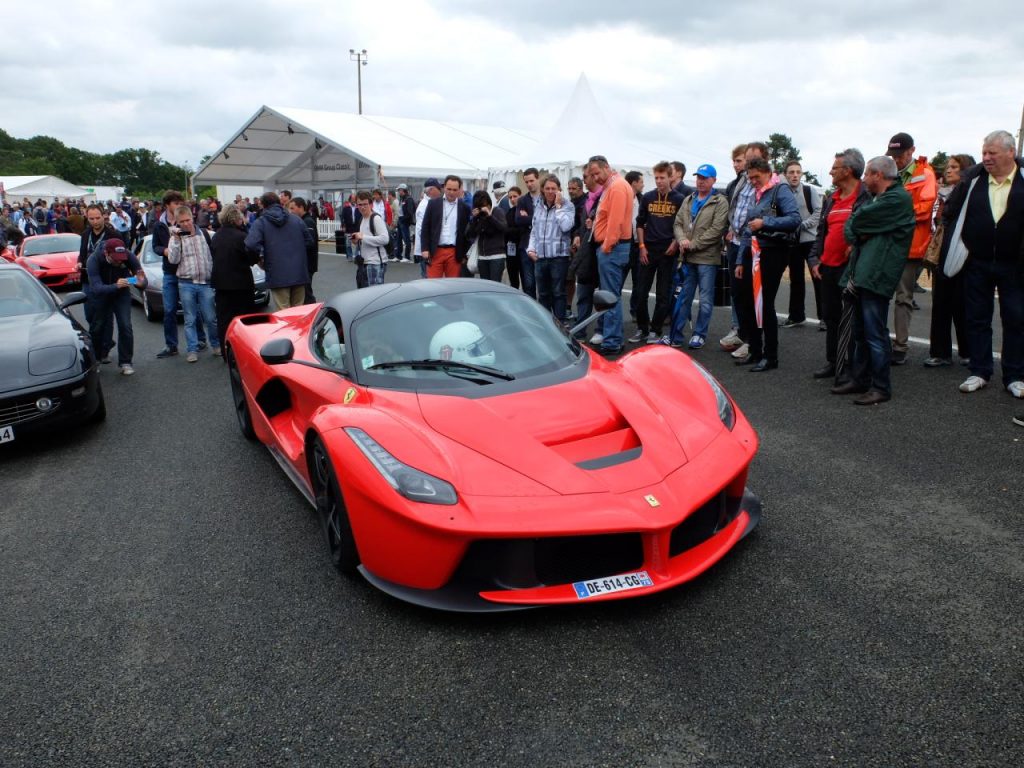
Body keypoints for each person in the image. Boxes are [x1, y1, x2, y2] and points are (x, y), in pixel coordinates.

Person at [830, 155, 915, 404]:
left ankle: (881, 387)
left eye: (867, 174)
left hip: (877, 274)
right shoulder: (880, 198)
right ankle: (860, 379)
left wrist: (858, 227)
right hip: (864, 272)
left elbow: (855, 222)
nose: (864, 179)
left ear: (878, 175)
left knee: (875, 333)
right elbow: (852, 229)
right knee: (860, 331)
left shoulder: (897, 199)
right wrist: (859, 229)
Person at [948, 130, 1024, 397]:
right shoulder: (973, 181)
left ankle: (1015, 375)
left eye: (992, 152)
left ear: (1011, 152)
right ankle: (980, 371)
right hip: (977, 261)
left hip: (1015, 264)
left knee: (1016, 318)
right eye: (984, 153)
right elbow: (951, 214)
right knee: (977, 318)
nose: (987, 158)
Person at [807, 149, 871, 381]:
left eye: (835, 168)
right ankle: (833, 361)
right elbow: (821, 233)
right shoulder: (832, 199)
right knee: (831, 316)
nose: (831, 172)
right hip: (828, 267)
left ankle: (851, 366)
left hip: (851, 268)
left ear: (848, 171)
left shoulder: (866, 197)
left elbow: (871, 229)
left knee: (851, 319)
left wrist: (857, 244)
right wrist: (815, 259)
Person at [733, 156, 801, 372]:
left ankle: (771, 356)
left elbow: (794, 219)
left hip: (773, 252)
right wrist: (740, 260)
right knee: (746, 302)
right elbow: (747, 227)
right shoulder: (756, 192)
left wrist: (766, 222)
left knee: (765, 304)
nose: (752, 181)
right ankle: (755, 350)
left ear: (767, 172)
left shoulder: (780, 190)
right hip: (752, 252)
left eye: (756, 177)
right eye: (749, 177)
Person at [885, 132, 937, 365]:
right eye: (893, 155)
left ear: (912, 151)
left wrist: (893, 214)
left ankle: (900, 347)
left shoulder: (925, 173)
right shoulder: (889, 172)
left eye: (900, 155)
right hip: (886, 244)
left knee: (903, 297)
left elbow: (925, 209)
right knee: (878, 294)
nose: (896, 160)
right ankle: (878, 340)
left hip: (910, 245)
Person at [670, 163, 730, 348]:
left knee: (705, 300)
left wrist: (692, 245)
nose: (700, 181)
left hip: (706, 259)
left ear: (713, 180)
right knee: (683, 298)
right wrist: (681, 241)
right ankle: (676, 336)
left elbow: (716, 230)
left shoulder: (720, 202)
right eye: (699, 178)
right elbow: (678, 223)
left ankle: (700, 334)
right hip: (687, 257)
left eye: (705, 178)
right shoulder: (689, 199)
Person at [925, 153, 976, 367]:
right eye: (948, 166)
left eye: (954, 167)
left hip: (964, 253)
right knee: (940, 304)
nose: (948, 170)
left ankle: (968, 351)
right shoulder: (940, 194)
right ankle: (940, 352)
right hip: (941, 253)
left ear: (965, 171)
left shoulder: (971, 194)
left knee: (962, 304)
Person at [587, 155, 634, 356]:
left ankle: (613, 340)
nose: (595, 177)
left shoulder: (616, 187)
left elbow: (615, 223)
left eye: (597, 173)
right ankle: (612, 337)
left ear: (607, 168)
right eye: (592, 174)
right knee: (609, 293)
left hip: (612, 249)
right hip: (612, 248)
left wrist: (606, 246)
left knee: (610, 295)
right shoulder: (613, 185)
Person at [632, 162, 683, 344]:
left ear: (670, 177)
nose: (659, 181)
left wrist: (676, 242)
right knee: (640, 293)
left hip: (668, 252)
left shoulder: (679, 198)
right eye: (656, 178)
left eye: (662, 177)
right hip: (648, 249)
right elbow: (639, 223)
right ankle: (642, 328)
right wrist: (642, 246)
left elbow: (683, 225)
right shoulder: (647, 197)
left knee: (662, 294)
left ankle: (656, 330)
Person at [153, 190, 206, 358]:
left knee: (192, 309)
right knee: (169, 309)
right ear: (167, 205)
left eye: (180, 203)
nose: (179, 206)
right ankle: (171, 345)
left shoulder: (186, 221)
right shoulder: (159, 225)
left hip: (188, 271)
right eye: (175, 203)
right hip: (170, 271)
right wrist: (165, 250)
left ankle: (200, 339)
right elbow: (155, 246)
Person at [168, 205, 221, 362]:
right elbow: (173, 260)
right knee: (189, 319)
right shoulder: (175, 238)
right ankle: (192, 349)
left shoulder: (205, 234)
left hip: (206, 282)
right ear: (177, 222)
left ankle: (216, 344)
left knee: (211, 318)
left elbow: (217, 252)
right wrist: (177, 240)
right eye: (182, 221)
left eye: (188, 220)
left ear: (193, 217)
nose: (186, 223)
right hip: (186, 283)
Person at [86, 238, 146, 376]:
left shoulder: (128, 256)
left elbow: (142, 280)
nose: (120, 261)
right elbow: (96, 288)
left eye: (122, 258)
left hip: (121, 294)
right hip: (102, 294)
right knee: (97, 327)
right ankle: (97, 359)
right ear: (106, 253)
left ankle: (126, 362)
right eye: (116, 259)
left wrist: (138, 280)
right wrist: (115, 285)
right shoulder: (93, 260)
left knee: (125, 325)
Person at [245, 191, 313, 309]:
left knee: (283, 314)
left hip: (277, 273)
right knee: (298, 312)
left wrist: (261, 259)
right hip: (299, 272)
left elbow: (251, 244)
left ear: (263, 205)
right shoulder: (296, 220)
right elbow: (309, 242)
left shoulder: (261, 222)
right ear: (279, 202)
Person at [211, 204, 259, 356]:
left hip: (221, 284)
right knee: (245, 318)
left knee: (224, 319)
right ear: (236, 218)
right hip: (241, 283)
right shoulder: (242, 237)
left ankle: (227, 351)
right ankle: (246, 350)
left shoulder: (216, 236)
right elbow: (252, 257)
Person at [526, 175, 575, 320]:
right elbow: (534, 230)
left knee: (558, 293)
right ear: (542, 189)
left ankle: (560, 324)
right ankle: (546, 323)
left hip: (559, 257)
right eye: (547, 188)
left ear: (559, 189)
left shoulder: (568, 206)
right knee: (543, 293)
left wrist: (558, 207)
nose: (550, 191)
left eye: (554, 188)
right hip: (540, 257)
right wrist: (530, 248)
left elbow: (566, 226)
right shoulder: (538, 205)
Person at [77, 204, 122, 362]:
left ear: (104, 216)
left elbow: (121, 259)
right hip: (87, 280)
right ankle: (104, 342)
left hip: (104, 281)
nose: (95, 221)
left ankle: (104, 349)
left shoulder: (113, 235)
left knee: (105, 317)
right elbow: (82, 254)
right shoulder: (85, 234)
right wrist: (78, 263)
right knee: (90, 316)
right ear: (87, 218)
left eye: (97, 218)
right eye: (91, 219)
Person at [781, 160, 822, 327]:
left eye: (798, 172)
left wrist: (803, 225)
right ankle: (797, 316)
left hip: (811, 240)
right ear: (785, 175)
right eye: (791, 172)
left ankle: (825, 318)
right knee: (796, 279)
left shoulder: (809, 190)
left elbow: (818, 212)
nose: (795, 175)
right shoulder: (781, 192)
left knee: (818, 278)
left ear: (802, 174)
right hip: (793, 242)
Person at [420, 175, 470, 279]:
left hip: (454, 252)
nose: (451, 192)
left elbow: (466, 232)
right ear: (444, 188)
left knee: (452, 286)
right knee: (433, 285)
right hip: (435, 251)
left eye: (455, 190)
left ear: (460, 190)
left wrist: (464, 254)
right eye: (449, 189)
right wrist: (425, 248)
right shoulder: (433, 204)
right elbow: (425, 227)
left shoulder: (464, 207)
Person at [466, 190, 508, 283]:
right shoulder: (478, 216)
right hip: (482, 256)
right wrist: (474, 218)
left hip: (496, 256)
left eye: (484, 206)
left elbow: (503, 228)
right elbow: (470, 234)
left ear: (489, 203)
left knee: (495, 285)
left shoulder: (497, 211)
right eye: (480, 207)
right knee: (486, 285)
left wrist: (489, 216)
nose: (483, 209)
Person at [514, 168, 542, 298]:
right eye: (527, 182)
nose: (529, 184)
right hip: (526, 245)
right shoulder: (522, 200)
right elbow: (518, 220)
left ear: (538, 179)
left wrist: (529, 217)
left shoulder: (546, 196)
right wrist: (537, 218)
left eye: (532, 180)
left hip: (543, 244)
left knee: (544, 282)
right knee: (528, 283)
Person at [352, 191, 390, 286]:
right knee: (365, 296)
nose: (362, 207)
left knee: (374, 297)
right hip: (364, 263)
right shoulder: (362, 219)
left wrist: (363, 237)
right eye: (359, 205)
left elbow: (385, 239)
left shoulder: (376, 219)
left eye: (365, 204)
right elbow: (365, 239)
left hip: (375, 263)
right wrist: (357, 241)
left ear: (371, 204)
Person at [288, 197, 320, 303]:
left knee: (306, 294)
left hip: (307, 264)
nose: (290, 211)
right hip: (304, 263)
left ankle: (313, 315)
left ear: (301, 207)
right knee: (304, 293)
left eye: (293, 208)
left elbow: (309, 243)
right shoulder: (302, 221)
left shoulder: (308, 222)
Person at [415, 178, 442, 279]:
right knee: (428, 278)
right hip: (426, 249)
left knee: (429, 277)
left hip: (426, 248)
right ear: (431, 190)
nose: (440, 191)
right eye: (438, 189)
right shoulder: (425, 205)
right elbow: (422, 229)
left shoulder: (428, 203)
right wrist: (427, 247)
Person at [501, 185, 522, 289]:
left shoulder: (525, 211)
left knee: (527, 281)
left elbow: (522, 230)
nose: (513, 199)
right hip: (511, 250)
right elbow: (505, 231)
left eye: (515, 196)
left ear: (520, 196)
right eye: (510, 197)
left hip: (523, 249)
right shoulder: (509, 212)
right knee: (513, 280)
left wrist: (509, 231)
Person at [394, 184, 416, 262]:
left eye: (399, 190)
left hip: (404, 222)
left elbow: (410, 212)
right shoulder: (402, 199)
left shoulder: (408, 199)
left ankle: (407, 256)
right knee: (399, 239)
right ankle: (398, 256)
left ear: (403, 190)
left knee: (406, 239)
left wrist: (404, 219)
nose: (399, 192)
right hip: (401, 221)